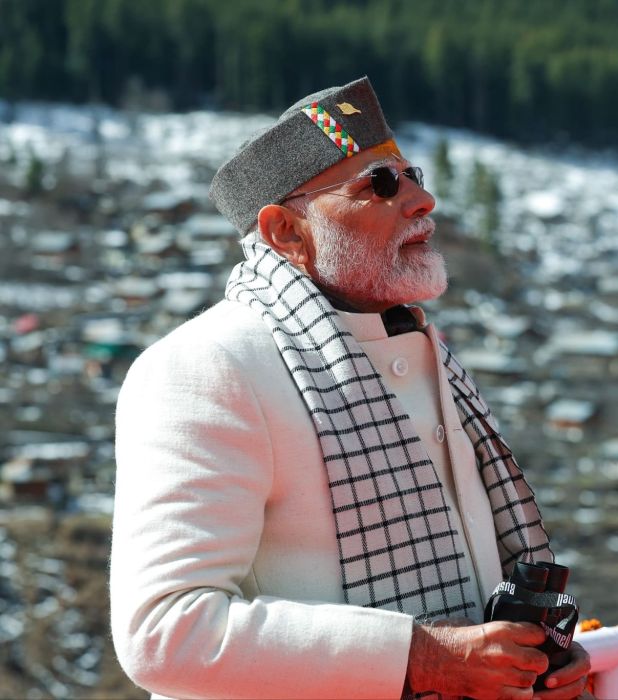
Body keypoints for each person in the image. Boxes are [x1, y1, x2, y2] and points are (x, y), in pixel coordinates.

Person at [109, 76, 592, 699]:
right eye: (381, 185)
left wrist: (530, 656)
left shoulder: (419, 347)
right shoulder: (206, 365)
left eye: (413, 176)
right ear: (286, 232)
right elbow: (165, 634)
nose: (423, 201)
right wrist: (423, 658)